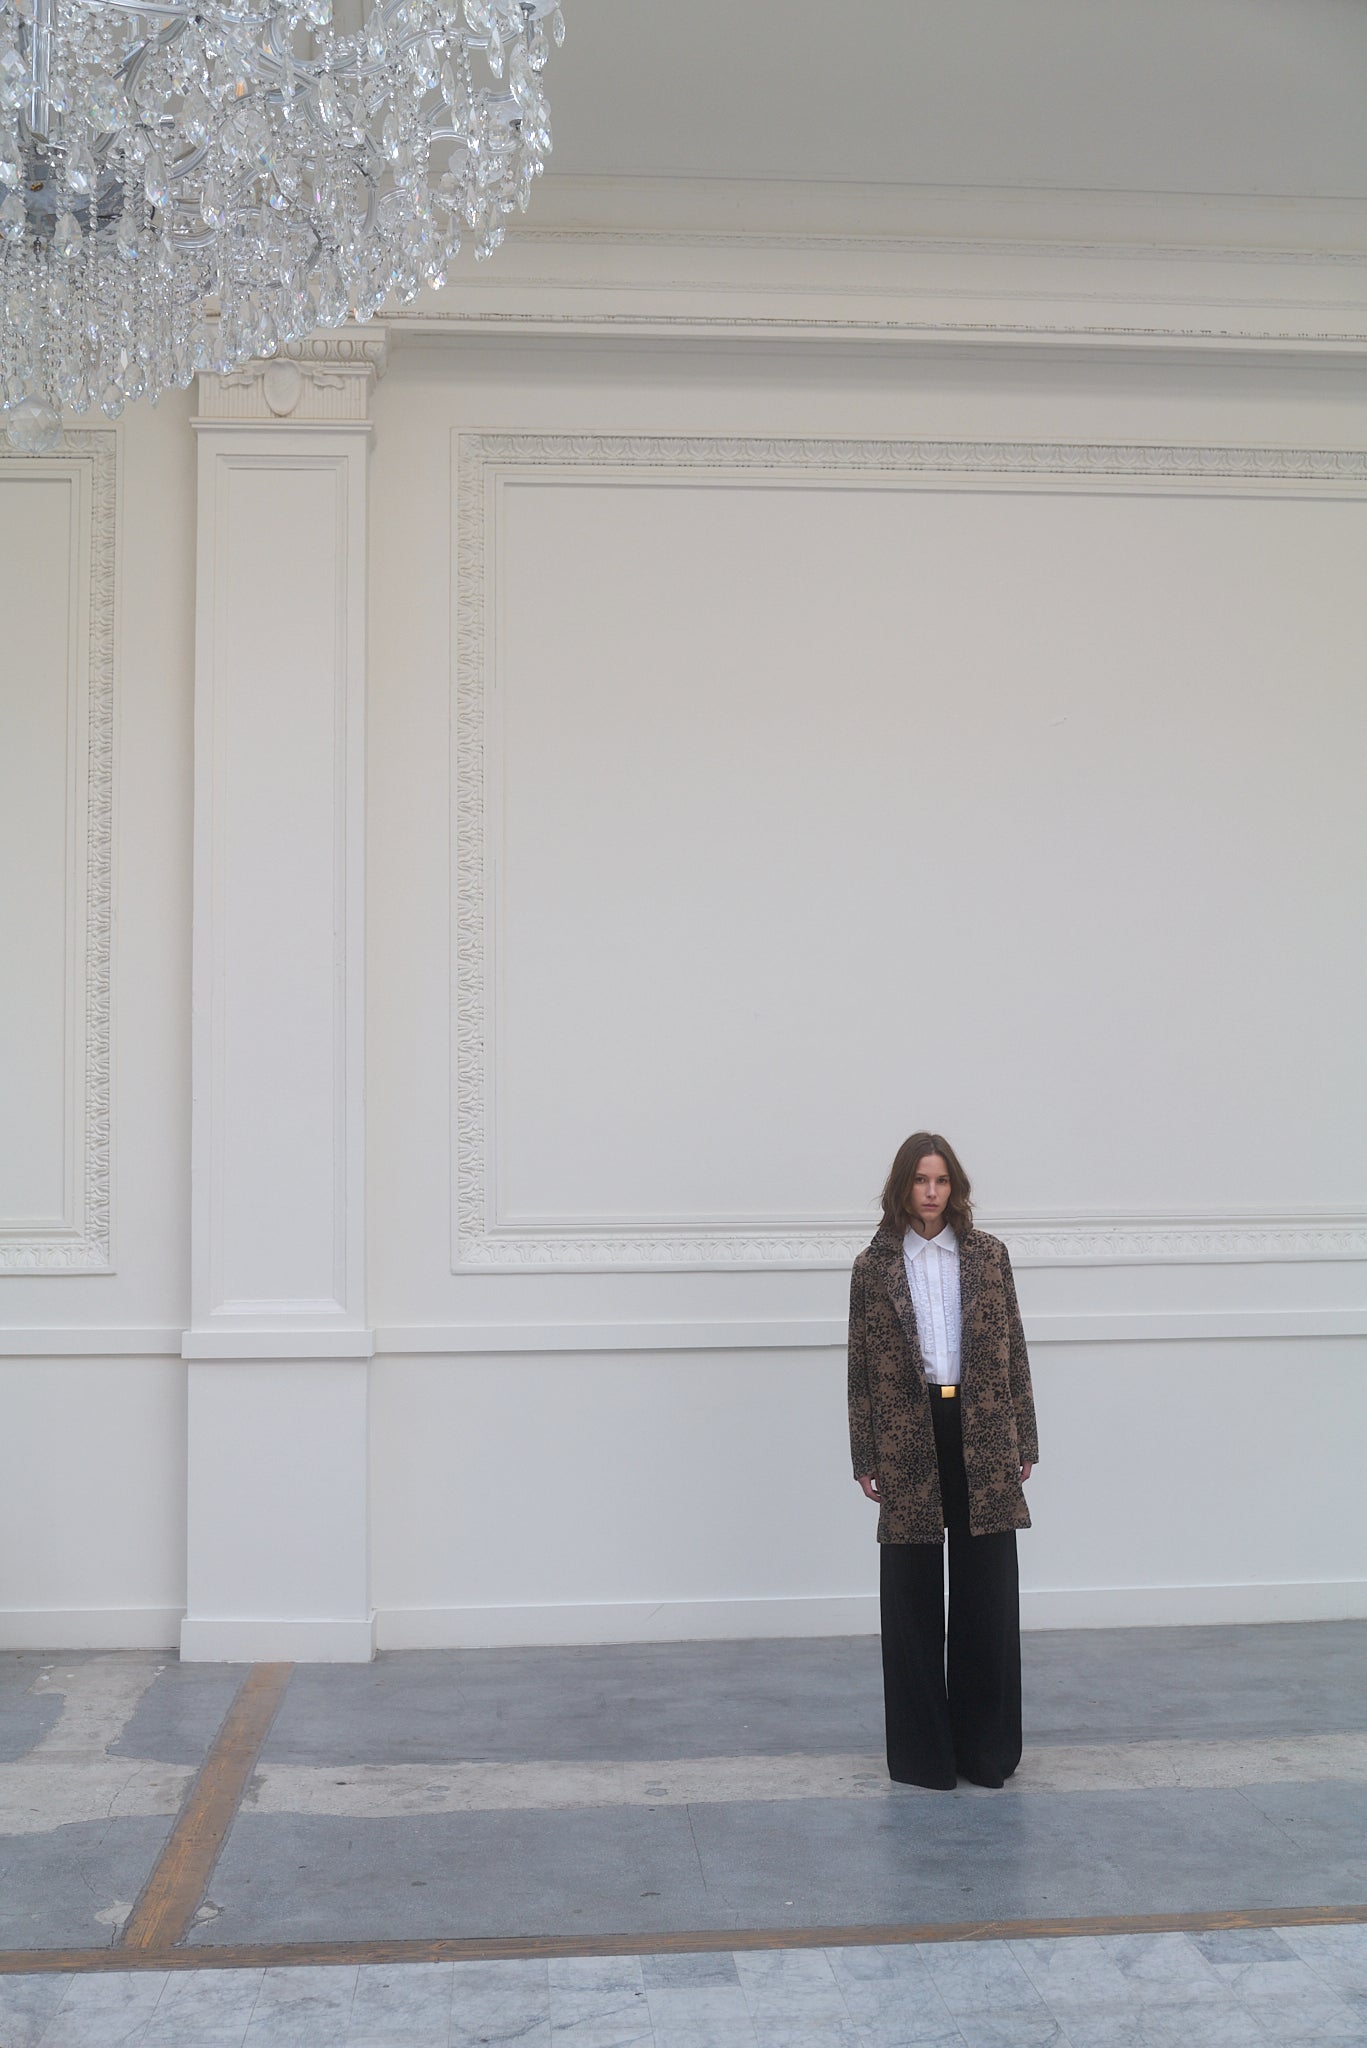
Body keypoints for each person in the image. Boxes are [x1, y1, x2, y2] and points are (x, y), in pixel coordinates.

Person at [848, 1133, 1038, 1790]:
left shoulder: (989, 1256)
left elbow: (1014, 1351)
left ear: (954, 1187)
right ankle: (922, 1757)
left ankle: (986, 1753)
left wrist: (1024, 1439)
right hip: (907, 1433)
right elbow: (859, 1369)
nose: (930, 1192)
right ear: (901, 1187)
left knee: (989, 1595)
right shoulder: (873, 1266)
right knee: (910, 1599)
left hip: (982, 1430)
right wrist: (864, 1452)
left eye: (941, 1180)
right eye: (919, 1180)